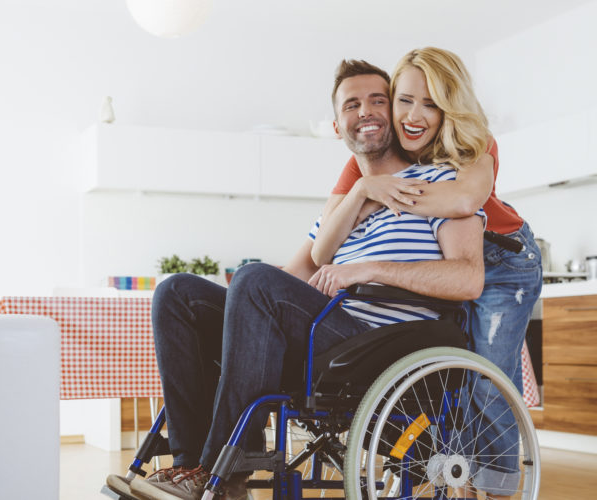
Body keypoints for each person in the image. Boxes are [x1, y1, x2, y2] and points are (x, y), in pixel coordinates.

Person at [106, 59, 486, 500]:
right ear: (337, 124)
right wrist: (240, 313)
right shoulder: (340, 210)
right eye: (352, 104)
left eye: (378, 101)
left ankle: (223, 473)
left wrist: (370, 269)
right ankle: (189, 464)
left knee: (254, 280)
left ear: (395, 114)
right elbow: (288, 278)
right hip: (326, 334)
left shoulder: (438, 182)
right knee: (178, 293)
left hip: (379, 343)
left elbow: (468, 278)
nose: (365, 111)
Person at [312, 48, 542, 500]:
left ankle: (495, 489)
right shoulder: (380, 146)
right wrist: (362, 188)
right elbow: (327, 230)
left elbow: (461, 203)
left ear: (450, 109)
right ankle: (451, 472)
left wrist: (383, 196)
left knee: (487, 375)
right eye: (405, 100)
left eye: (432, 104)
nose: (414, 115)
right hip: (444, 261)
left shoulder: (475, 142)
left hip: (505, 264)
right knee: (450, 377)